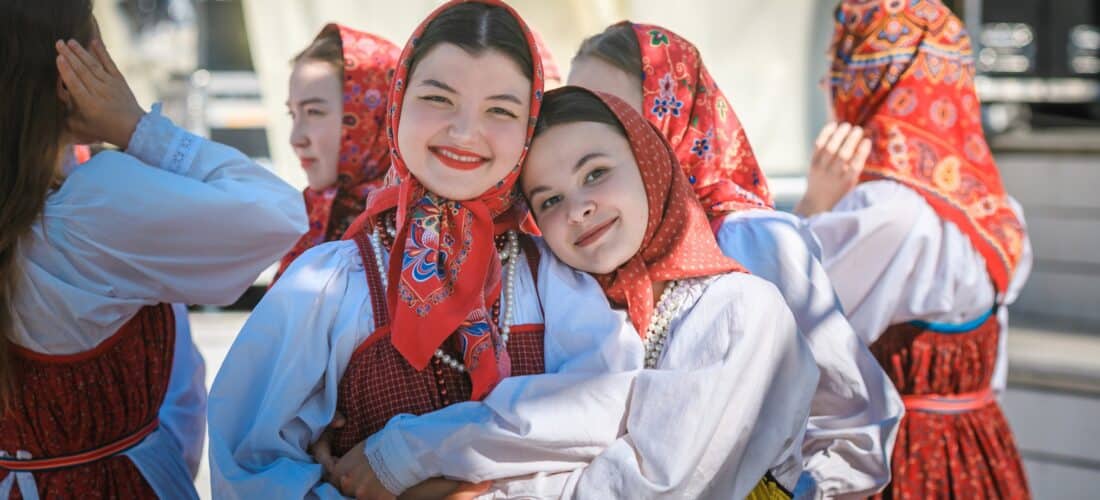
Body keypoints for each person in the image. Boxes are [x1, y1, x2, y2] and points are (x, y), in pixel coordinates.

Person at [208, 2, 568, 497]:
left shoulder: (560, 277)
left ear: (530, 125)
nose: (465, 131)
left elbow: (610, 430)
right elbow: (251, 469)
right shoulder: (330, 283)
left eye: (501, 110)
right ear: (397, 102)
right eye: (438, 98)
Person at [568, 21, 902, 497]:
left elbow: (854, 419)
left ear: (673, 116)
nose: (579, 137)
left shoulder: (751, 238)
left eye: (612, 116)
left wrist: (788, 491)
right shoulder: (590, 240)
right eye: (573, 111)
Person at [0, 1, 305, 497]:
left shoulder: (67, 210)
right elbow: (279, 213)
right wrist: (138, 128)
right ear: (68, 78)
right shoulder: (94, 207)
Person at [795, 1, 1033, 497]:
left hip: (901, 461)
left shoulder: (885, 211)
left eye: (836, 66)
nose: (824, 85)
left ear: (869, 80)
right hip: (981, 451)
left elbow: (787, 329)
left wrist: (813, 207)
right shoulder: (998, 211)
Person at [274, 24, 400, 282]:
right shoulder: (320, 214)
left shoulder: (417, 233)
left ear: (375, 116)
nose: (295, 139)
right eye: (293, 114)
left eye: (314, 112)